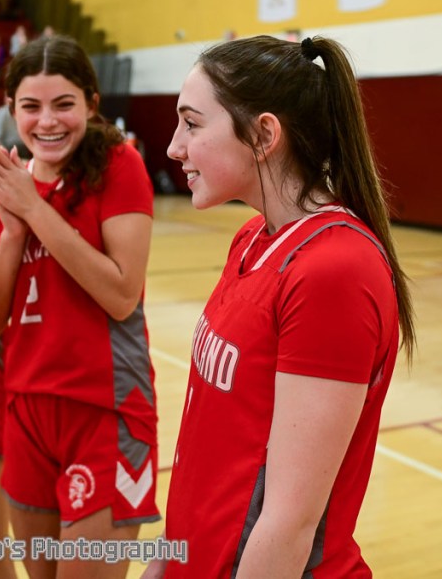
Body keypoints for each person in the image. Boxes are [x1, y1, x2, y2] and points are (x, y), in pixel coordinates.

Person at [146, 35, 416, 578]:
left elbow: (289, 524)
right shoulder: (251, 239)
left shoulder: (335, 270)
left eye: (192, 124)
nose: (175, 147)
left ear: (265, 135)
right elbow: (210, 449)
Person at [0, 35, 159, 579]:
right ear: (11, 110)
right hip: (27, 408)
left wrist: (34, 209)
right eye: (31, 106)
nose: (48, 121)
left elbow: (121, 294)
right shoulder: (0, 186)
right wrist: (12, 234)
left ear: (91, 105)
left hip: (105, 408)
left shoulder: (120, 165)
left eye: (64, 104)